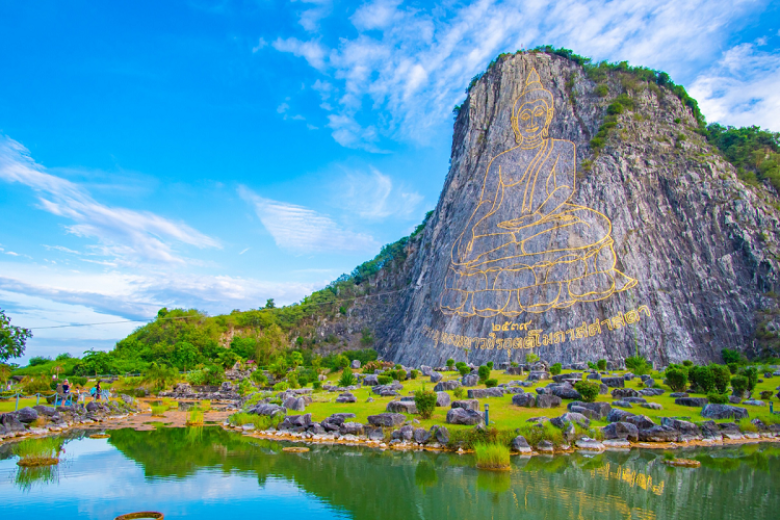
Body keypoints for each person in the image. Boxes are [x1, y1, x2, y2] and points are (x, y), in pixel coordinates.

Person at [441, 67, 636, 317]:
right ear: (515, 120)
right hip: (505, 227)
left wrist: (536, 217)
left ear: (547, 117)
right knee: (474, 247)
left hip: (547, 221)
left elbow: (564, 188)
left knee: (587, 228)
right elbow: (488, 202)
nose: (531, 120)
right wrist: (468, 232)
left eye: (538, 113)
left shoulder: (561, 149)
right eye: (525, 114)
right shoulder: (501, 161)